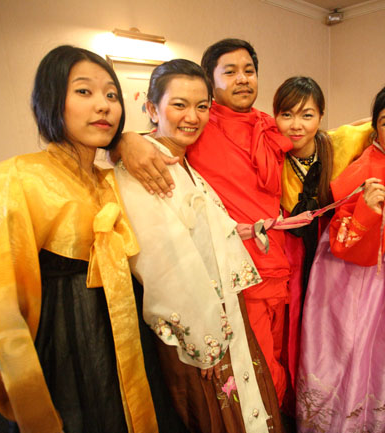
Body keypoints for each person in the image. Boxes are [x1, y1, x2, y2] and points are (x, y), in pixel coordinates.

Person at [0, 45, 184, 433]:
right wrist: (22, 388)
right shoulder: (12, 179)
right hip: (58, 354)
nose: (103, 105)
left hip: (127, 344)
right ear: (52, 99)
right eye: (84, 91)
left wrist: (125, 141)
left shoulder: (111, 181)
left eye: (111, 95)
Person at [117, 38, 291, 404]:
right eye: (230, 72)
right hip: (209, 302)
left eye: (249, 71)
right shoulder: (167, 153)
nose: (242, 79)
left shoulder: (268, 126)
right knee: (242, 390)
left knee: (270, 368)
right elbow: (166, 262)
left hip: (263, 268)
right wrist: (123, 141)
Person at [296, 82, 385, 433]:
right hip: (355, 276)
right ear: (376, 128)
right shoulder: (368, 166)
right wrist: (368, 211)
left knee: (383, 352)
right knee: (354, 348)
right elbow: (340, 240)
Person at [273, 76, 372, 402]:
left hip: (336, 252)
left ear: (321, 116)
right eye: (286, 114)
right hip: (294, 255)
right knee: (296, 326)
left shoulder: (340, 142)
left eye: (307, 115)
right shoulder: (270, 154)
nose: (296, 125)